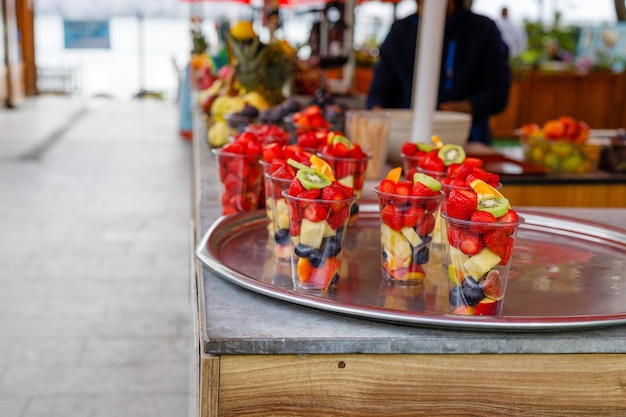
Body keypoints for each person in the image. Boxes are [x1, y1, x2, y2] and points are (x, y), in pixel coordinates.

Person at [366, 0, 511, 145]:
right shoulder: (401, 30)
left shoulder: (482, 29)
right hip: (403, 140)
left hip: (465, 141)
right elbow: (379, 91)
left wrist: (450, 111)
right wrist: (379, 115)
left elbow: (498, 94)